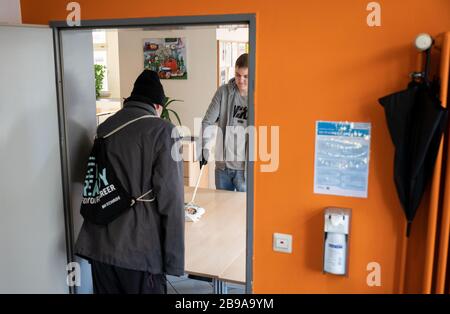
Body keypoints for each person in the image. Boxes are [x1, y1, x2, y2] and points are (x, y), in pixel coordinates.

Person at [75, 70, 185, 294]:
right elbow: (172, 201)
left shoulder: (104, 128)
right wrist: (174, 262)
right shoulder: (164, 132)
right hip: (138, 250)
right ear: (158, 106)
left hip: (99, 245)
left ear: (130, 100)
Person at [201, 53, 249, 192]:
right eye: (238, 75)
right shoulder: (223, 92)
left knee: (243, 212)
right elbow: (207, 122)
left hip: (244, 171)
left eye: (245, 76)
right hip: (223, 168)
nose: (240, 80)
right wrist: (203, 148)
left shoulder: (258, 96)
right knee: (222, 210)